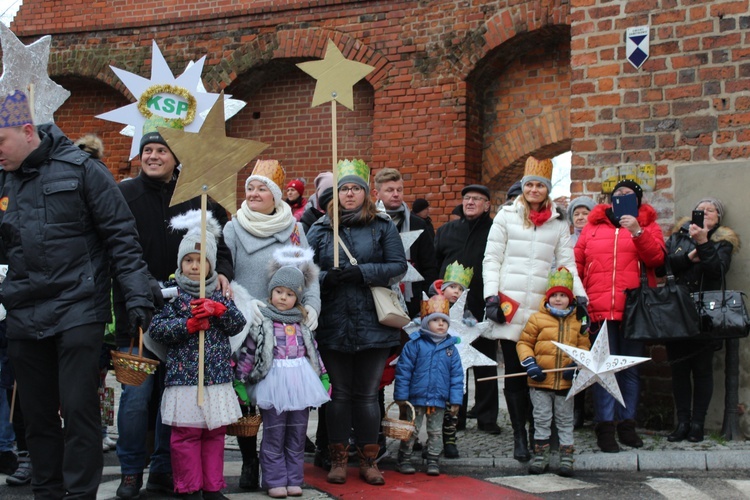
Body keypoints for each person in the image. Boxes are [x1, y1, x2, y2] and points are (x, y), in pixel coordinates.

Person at [0, 90, 155, 498]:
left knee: (79, 409)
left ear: (28, 131)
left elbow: (122, 238)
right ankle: (47, 491)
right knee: (36, 416)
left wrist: (137, 296)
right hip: (22, 311)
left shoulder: (84, 169)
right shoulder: (3, 179)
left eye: (0, 140)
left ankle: (80, 494)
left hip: (78, 309)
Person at [113, 127, 235, 498]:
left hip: (189, 317)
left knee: (176, 398)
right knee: (136, 398)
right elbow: (114, 247)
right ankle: (131, 470)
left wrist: (224, 272)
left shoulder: (199, 195)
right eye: (146, 150)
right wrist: (140, 284)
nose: (152, 156)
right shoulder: (123, 195)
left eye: (160, 151)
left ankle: (164, 469)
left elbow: (221, 244)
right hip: (139, 313)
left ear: (175, 157)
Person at [306, 159, 407, 486]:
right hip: (333, 321)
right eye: (344, 189)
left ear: (365, 193)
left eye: (355, 188)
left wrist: (361, 272)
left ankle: (368, 459)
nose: (349, 193)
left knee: (365, 395)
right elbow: (303, 271)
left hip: (372, 322)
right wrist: (326, 278)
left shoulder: (382, 225)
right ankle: (337, 457)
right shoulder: (321, 228)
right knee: (338, 395)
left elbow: (397, 266)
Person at [224, 159, 321, 490]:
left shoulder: (294, 229)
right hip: (246, 321)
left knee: (284, 407)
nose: (253, 193)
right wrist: (239, 308)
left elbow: (307, 275)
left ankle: (285, 473)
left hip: (284, 323)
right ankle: (251, 463)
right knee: (249, 402)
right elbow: (227, 274)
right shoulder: (233, 228)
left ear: (276, 196)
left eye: (261, 188)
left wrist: (311, 306)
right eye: (250, 187)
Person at [482, 157, 586, 462]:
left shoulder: (557, 222)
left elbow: (567, 264)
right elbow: (492, 259)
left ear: (547, 190)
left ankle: (539, 432)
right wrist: (490, 297)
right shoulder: (505, 217)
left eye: (540, 185)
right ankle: (519, 435)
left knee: (540, 375)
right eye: (529, 184)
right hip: (510, 306)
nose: (534, 189)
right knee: (515, 373)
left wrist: (579, 297)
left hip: (542, 311)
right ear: (523, 188)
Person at [148, 210, 246, 499]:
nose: (193, 266)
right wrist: (186, 325)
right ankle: (189, 487)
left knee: (214, 434)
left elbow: (238, 325)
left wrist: (221, 311)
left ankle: (212, 487)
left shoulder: (220, 295)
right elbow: (157, 330)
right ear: (180, 263)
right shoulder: (173, 294)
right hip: (185, 379)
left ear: (210, 264)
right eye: (188, 261)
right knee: (186, 435)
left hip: (215, 377)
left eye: (199, 261)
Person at [575, 179, 665, 453]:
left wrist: (637, 231)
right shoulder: (592, 227)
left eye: (629, 195)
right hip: (599, 309)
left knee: (629, 370)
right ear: (610, 199)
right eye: (618, 194)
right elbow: (576, 263)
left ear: (638, 200)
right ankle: (605, 427)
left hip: (633, 310)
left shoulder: (648, 225)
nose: (623, 197)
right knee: (603, 370)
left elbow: (657, 260)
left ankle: (627, 425)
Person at [235, 246, 330, 498]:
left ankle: (294, 478)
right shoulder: (263, 321)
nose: (283, 297)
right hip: (272, 383)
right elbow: (249, 352)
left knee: (297, 433)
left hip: (300, 382)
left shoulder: (302, 324)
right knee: (274, 433)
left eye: (289, 294)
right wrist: (241, 381)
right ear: (271, 292)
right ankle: (275, 479)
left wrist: (322, 375)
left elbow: (313, 351)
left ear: (297, 298)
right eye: (278, 292)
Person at [662, 198, 739, 443]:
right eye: (700, 209)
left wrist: (704, 243)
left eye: (711, 210)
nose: (705, 213)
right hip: (677, 310)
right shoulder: (678, 237)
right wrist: (689, 256)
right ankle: (682, 422)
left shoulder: (723, 241)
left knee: (703, 369)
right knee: (679, 370)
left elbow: (717, 270)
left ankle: (697, 424)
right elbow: (662, 267)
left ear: (718, 216)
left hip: (705, 312)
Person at [434, 184, 501, 437]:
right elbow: (435, 264)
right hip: (450, 308)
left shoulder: (495, 230)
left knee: (485, 361)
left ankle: (486, 417)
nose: (470, 202)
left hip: (482, 306)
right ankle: (455, 416)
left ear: (487, 205)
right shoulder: (447, 231)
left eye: (477, 199)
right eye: (467, 198)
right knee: (454, 363)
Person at [516, 267, 590, 476]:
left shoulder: (577, 322)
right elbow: (524, 342)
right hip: (540, 381)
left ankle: (567, 457)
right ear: (548, 297)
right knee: (541, 418)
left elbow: (584, 347)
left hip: (565, 384)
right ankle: (541, 455)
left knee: (565, 420)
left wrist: (575, 365)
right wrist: (529, 363)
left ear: (570, 298)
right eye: (554, 295)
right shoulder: (537, 319)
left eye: (563, 296)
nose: (558, 299)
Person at [394, 294, 463, 476]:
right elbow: (404, 371)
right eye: (436, 320)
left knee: (435, 431)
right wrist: (401, 396)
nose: (441, 324)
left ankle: (433, 459)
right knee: (411, 430)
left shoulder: (451, 349)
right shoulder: (414, 345)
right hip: (416, 398)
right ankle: (405, 457)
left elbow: (456, 376)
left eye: (444, 321)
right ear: (425, 323)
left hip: (438, 400)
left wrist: (455, 400)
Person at [373, 168, 438, 317]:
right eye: (389, 190)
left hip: (411, 301)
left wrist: (426, 298)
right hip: (376, 298)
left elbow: (429, 266)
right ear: (376, 194)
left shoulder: (419, 224)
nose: (396, 194)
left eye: (399, 190)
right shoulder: (367, 222)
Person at [428, 261, 474, 458]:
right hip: (432, 364)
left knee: (451, 407)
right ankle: (431, 441)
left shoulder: (464, 311)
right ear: (443, 287)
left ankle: (450, 439)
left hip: (454, 363)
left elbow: (469, 328)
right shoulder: (432, 304)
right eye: (452, 287)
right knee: (431, 406)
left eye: (460, 289)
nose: (456, 292)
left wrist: (470, 323)